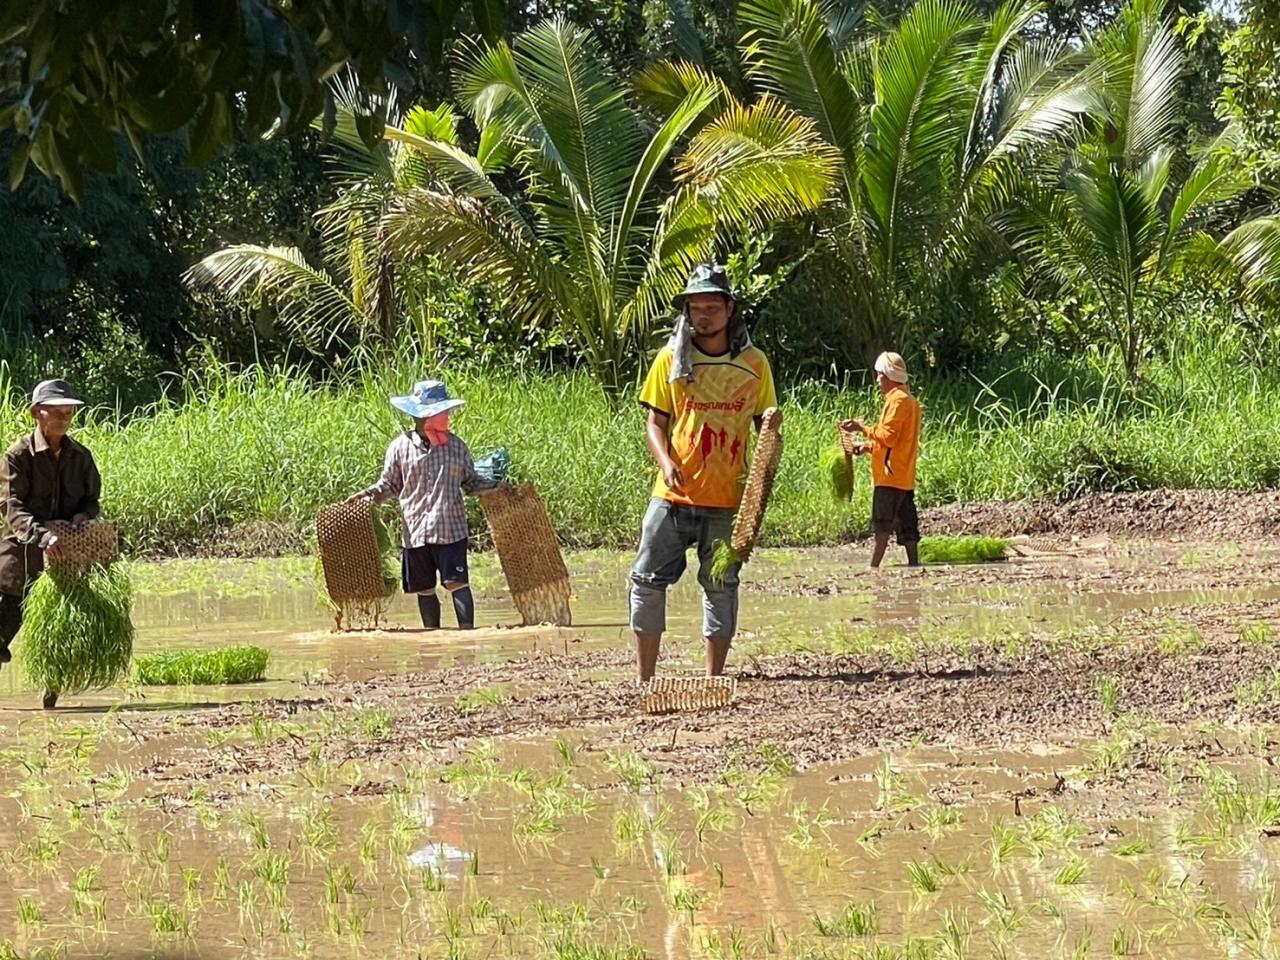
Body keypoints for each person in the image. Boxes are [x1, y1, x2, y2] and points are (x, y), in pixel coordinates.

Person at [630, 263, 779, 683]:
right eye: (696, 308)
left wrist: (759, 485)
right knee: (646, 580)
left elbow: (766, 428)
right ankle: (645, 678)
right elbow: (655, 423)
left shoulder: (754, 364)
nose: (704, 316)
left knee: (721, 584)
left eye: (712, 307)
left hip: (726, 501)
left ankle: (714, 677)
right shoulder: (670, 361)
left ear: (730, 309)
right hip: (673, 496)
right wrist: (666, 463)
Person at [349, 379, 501, 630]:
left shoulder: (456, 447)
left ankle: (467, 634)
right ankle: (431, 635)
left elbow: (471, 483)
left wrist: (497, 487)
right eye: (443, 412)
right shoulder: (400, 448)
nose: (447, 416)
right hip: (415, 530)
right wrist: (367, 497)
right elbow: (389, 485)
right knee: (424, 589)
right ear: (425, 417)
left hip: (450, 530)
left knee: (457, 583)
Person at [0, 379, 102, 705]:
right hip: (21, 560)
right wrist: (42, 536)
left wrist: (82, 519)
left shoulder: (81, 457)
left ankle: (50, 705)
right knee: (2, 631)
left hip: (65, 562)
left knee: (58, 634)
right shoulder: (17, 456)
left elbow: (91, 501)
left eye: (68, 410)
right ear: (36, 413)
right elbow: (10, 507)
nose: (63, 416)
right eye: (55, 410)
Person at [842, 351, 923, 568]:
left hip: (889, 477)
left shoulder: (897, 402)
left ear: (888, 376)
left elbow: (888, 437)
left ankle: (873, 567)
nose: (877, 380)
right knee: (908, 526)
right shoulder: (910, 401)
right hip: (904, 477)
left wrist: (862, 428)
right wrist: (867, 447)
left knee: (882, 527)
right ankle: (914, 565)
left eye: (879, 375)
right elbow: (897, 441)